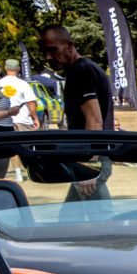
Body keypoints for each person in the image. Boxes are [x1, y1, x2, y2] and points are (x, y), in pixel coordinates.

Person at [39, 24, 114, 201]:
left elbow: (94, 120)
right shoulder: (87, 68)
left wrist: (89, 166)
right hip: (93, 154)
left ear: (70, 46)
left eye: (53, 49)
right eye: (45, 51)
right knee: (70, 212)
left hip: (91, 156)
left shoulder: (81, 71)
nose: (48, 57)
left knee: (99, 215)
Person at [0, 59, 39, 132]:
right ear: (18, 69)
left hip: (2, 122)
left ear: (5, 68)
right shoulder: (23, 84)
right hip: (22, 120)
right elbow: (30, 102)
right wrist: (35, 118)